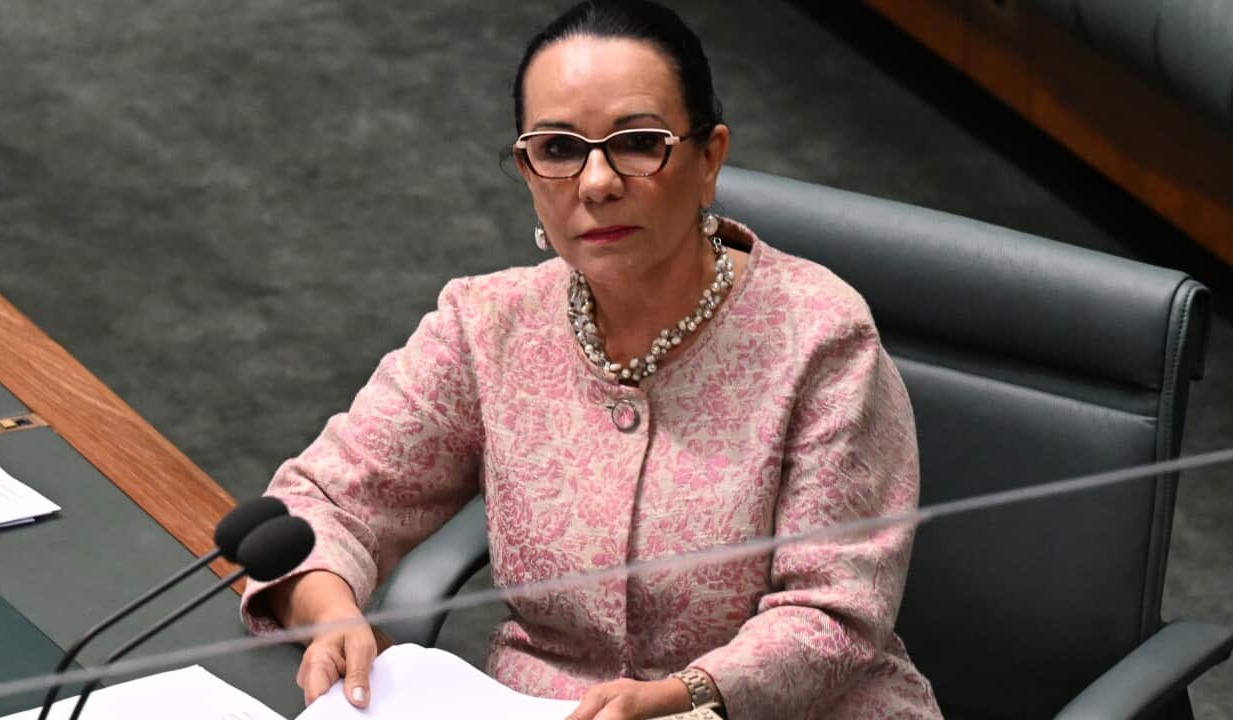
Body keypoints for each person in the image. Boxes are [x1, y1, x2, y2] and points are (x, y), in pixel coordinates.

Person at [241, 1, 942, 718]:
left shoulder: (821, 338)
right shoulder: (487, 326)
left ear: (709, 158)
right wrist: (330, 608)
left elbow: (833, 612)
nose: (597, 182)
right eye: (557, 150)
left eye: (639, 143)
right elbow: (324, 500)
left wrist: (685, 695)